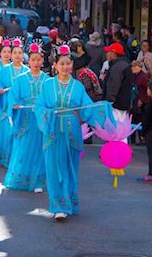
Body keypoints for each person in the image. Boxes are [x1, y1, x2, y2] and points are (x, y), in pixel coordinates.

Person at [34, 45, 110, 221]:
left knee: (69, 168)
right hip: (52, 131)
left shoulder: (77, 86)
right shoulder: (47, 85)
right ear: (55, 65)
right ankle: (57, 205)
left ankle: (68, 202)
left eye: (68, 63)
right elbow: (39, 107)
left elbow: (87, 108)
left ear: (72, 65)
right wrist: (48, 113)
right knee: (53, 168)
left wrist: (102, 108)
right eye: (62, 64)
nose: (65, 67)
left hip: (71, 132)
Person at [4, 42, 48, 192]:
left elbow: (51, 99)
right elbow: (13, 95)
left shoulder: (48, 80)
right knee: (24, 148)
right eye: (33, 59)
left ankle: (38, 182)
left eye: (38, 59)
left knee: (40, 149)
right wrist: (14, 105)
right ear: (28, 60)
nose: (36, 63)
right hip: (26, 119)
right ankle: (22, 178)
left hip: (41, 120)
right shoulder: (21, 79)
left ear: (43, 61)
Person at [0, 39, 30, 167]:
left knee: (22, 132)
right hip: (8, 103)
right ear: (11, 55)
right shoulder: (5, 70)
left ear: (23, 55)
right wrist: (0, 90)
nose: (17, 55)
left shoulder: (27, 71)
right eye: (15, 52)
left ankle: (20, 159)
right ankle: (9, 158)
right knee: (9, 132)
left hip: (22, 105)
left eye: (20, 53)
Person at [103, 42, 133, 124]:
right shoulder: (125, 64)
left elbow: (113, 87)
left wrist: (109, 103)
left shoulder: (117, 67)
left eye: (108, 52)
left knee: (116, 131)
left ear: (113, 53)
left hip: (116, 106)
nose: (106, 54)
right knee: (122, 130)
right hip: (123, 104)